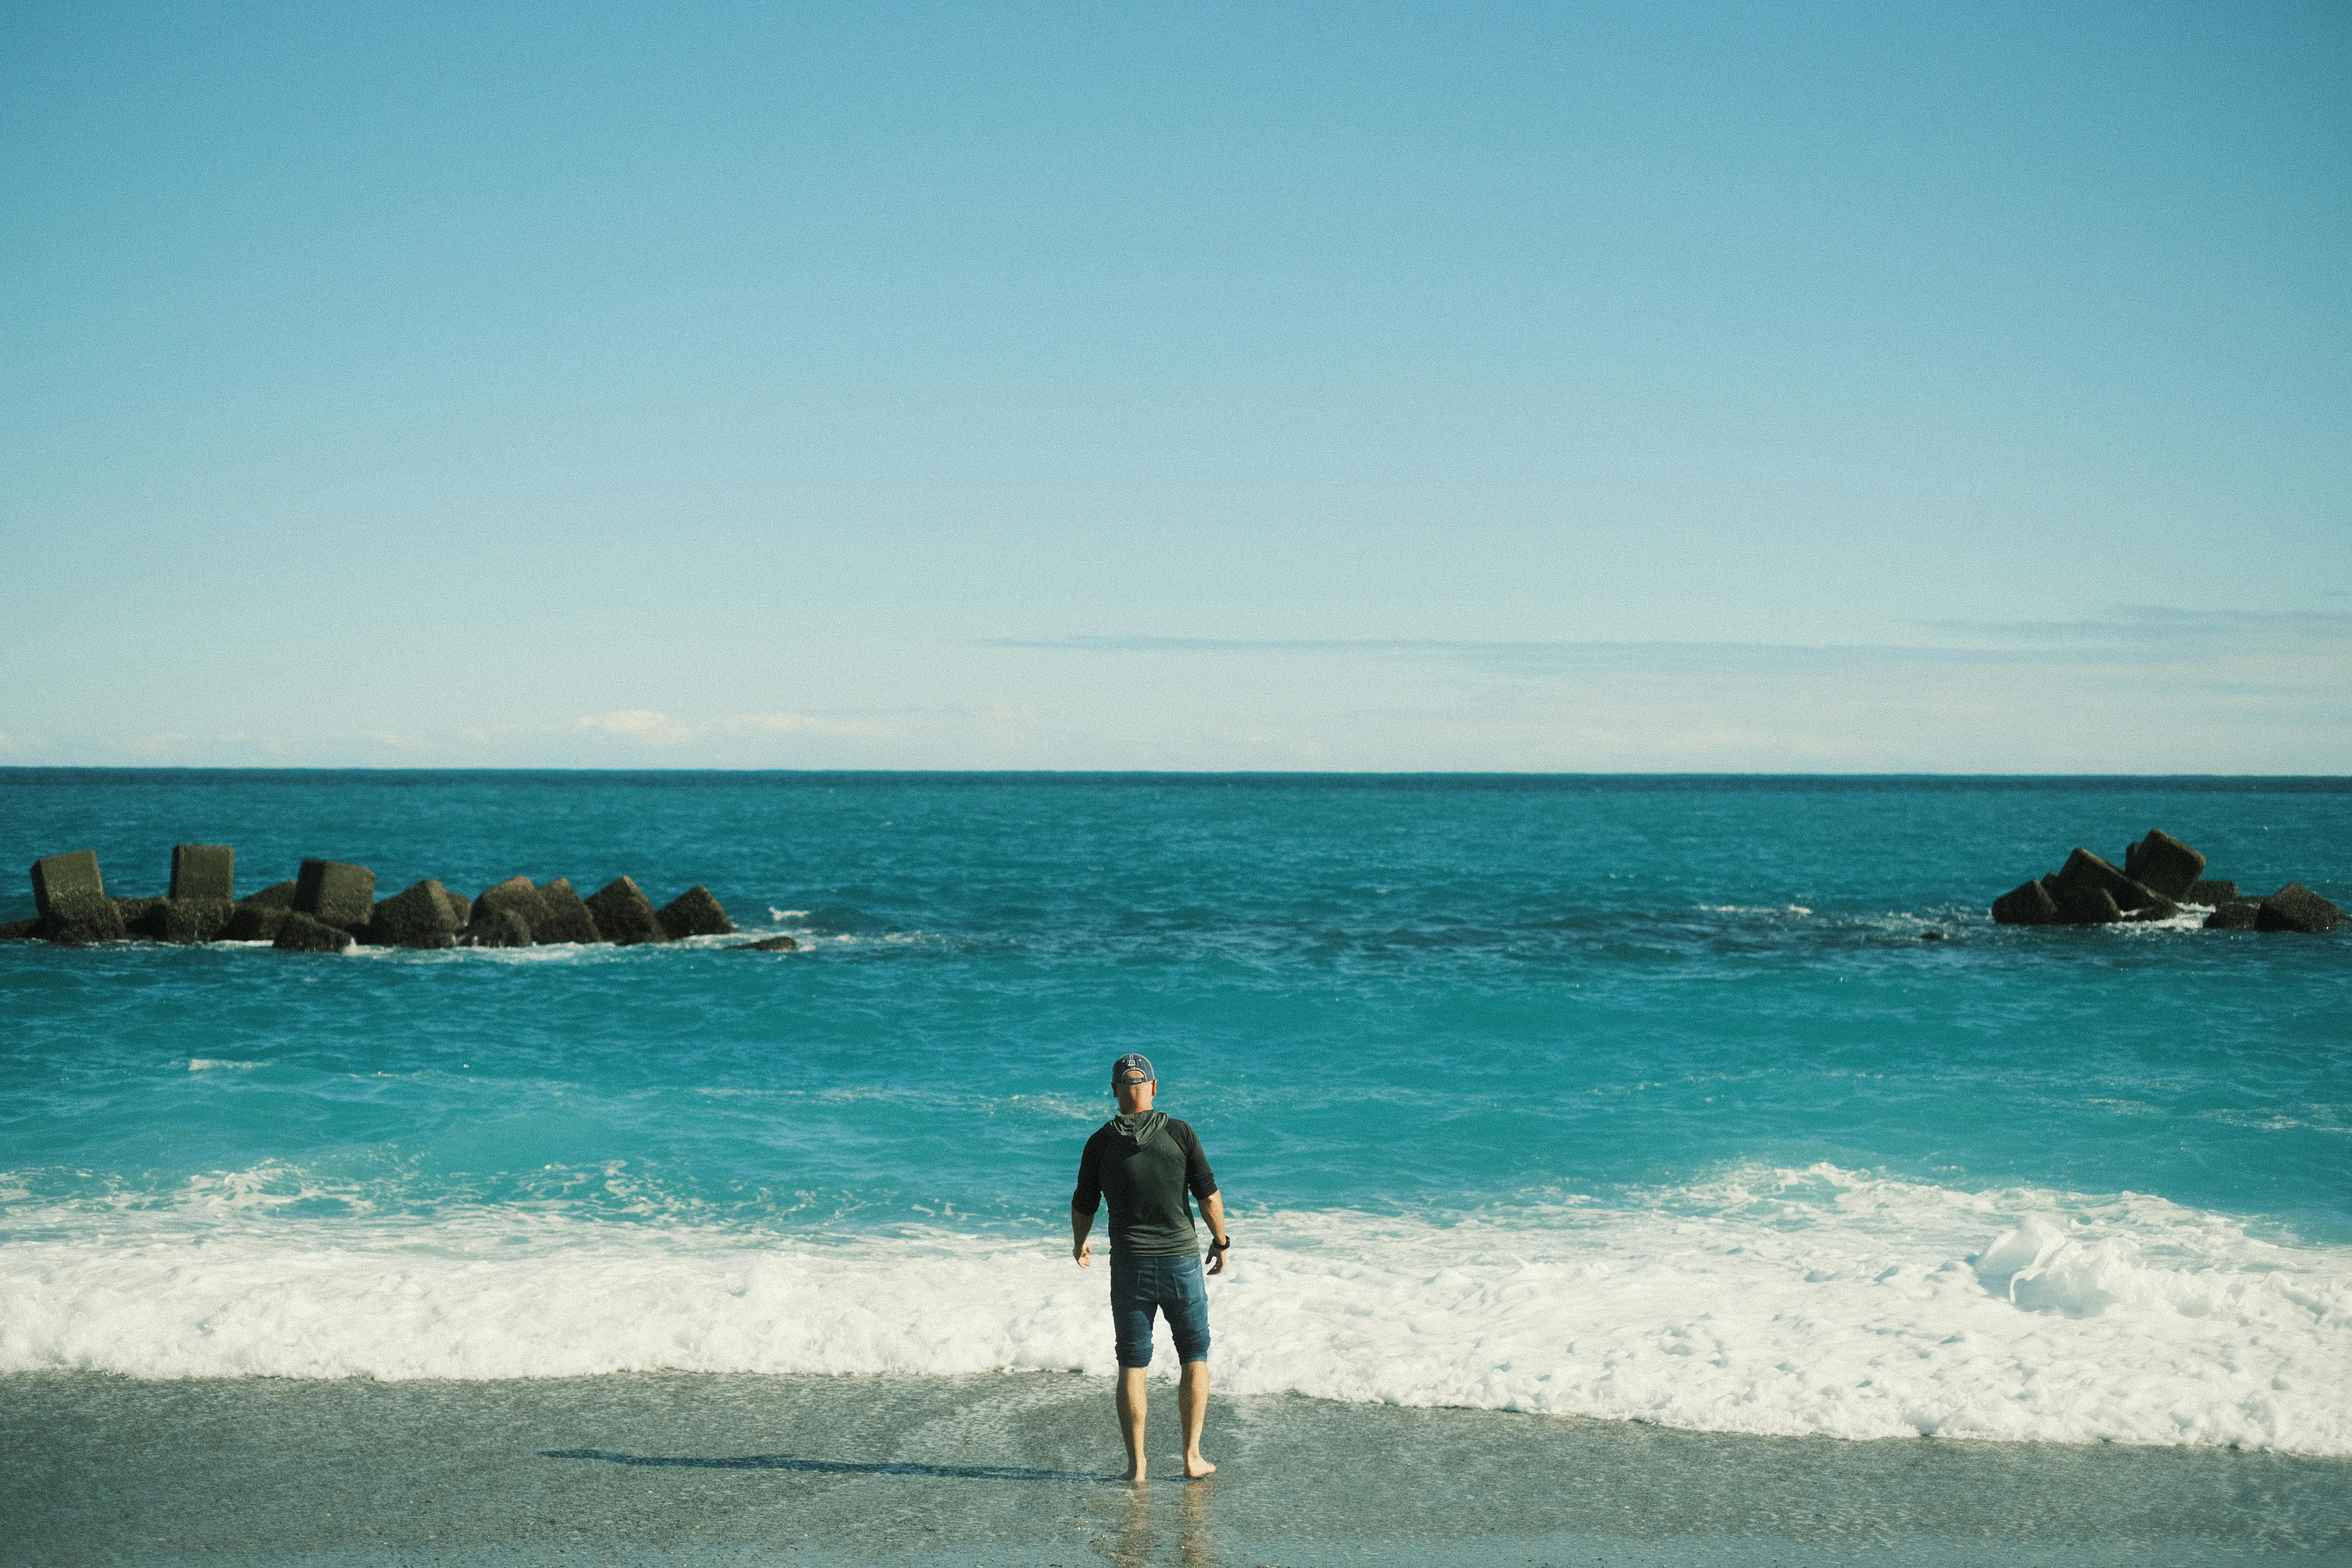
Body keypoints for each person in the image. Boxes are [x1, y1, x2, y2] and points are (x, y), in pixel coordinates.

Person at [1070, 1052, 1229, 1482]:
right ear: (1154, 1089)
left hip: (1130, 1266)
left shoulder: (1100, 1142)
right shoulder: (1180, 1133)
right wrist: (1221, 1240)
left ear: (1116, 1091)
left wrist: (1079, 1241)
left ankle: (1137, 1465)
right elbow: (1209, 1196)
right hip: (1181, 1262)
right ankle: (1192, 1456)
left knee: (1133, 1363)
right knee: (1194, 1355)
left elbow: (1084, 1203)